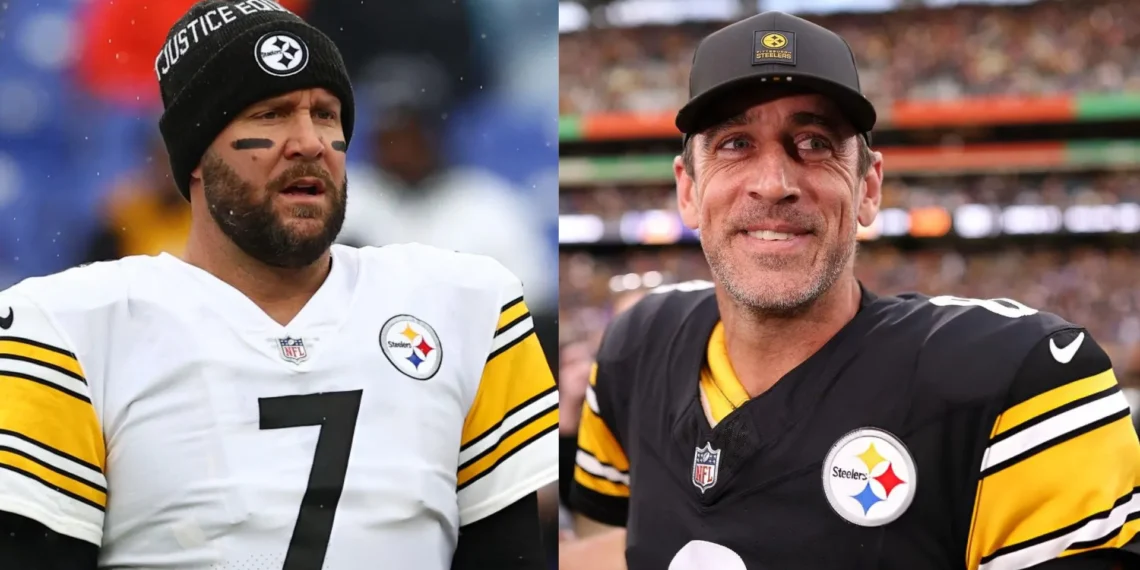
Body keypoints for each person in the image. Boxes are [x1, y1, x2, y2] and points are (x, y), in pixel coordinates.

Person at [562, 11, 1140, 570]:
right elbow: (611, 543)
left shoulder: (1019, 379)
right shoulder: (636, 349)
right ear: (687, 190)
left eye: (813, 142)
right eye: (735, 143)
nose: (774, 183)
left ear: (868, 186)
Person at [0, 1, 555, 569]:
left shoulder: (468, 304)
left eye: (326, 113)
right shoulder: (67, 328)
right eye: (270, 114)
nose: (310, 141)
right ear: (196, 154)